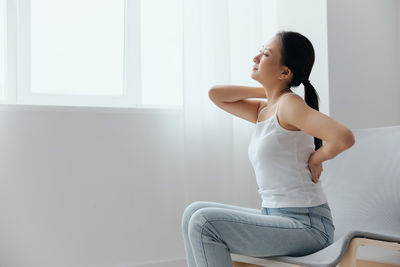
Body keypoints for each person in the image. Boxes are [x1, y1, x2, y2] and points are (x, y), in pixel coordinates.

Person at [181, 31, 355, 267]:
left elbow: (343, 137)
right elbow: (216, 94)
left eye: (264, 54)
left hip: (308, 226)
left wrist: (316, 159)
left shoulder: (289, 106)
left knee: (205, 222)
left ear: (285, 72)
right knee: (193, 212)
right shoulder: (266, 109)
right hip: (275, 217)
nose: (255, 58)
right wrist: (268, 90)